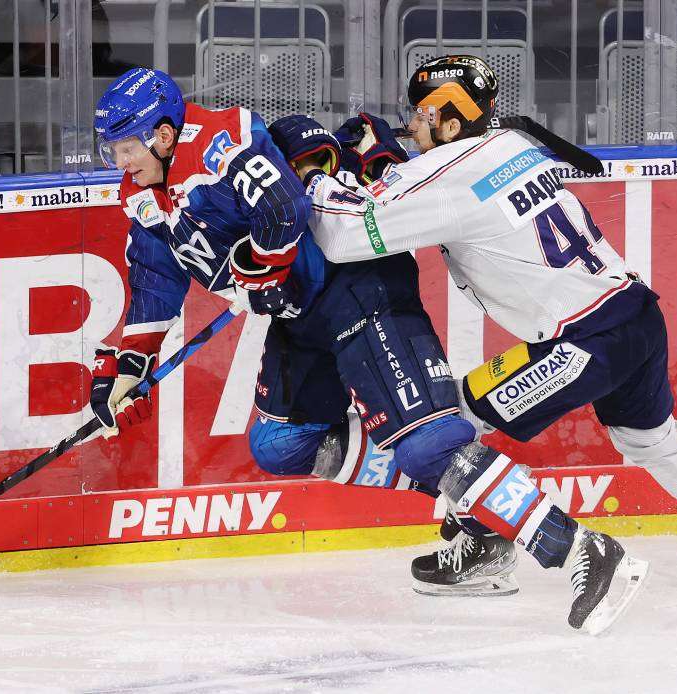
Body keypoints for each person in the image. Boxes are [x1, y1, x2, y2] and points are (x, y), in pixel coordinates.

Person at [91, 66, 647, 634]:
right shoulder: (141, 194)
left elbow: (283, 208)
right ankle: (479, 510)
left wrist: (265, 262)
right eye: (112, 150)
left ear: (162, 135)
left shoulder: (219, 143)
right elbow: (157, 277)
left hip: (357, 288)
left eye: (127, 146)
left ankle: (582, 549)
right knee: (281, 443)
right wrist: (130, 360)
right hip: (300, 314)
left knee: (428, 443)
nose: (120, 161)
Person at [278, 54, 677, 592]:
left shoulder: (448, 176)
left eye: (422, 115)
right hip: (635, 315)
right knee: (654, 442)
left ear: (452, 121)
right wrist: (388, 167)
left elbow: (344, 235)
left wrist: (315, 176)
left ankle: (485, 544)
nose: (412, 125)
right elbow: (437, 193)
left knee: (449, 426)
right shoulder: (513, 149)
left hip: (582, 342)